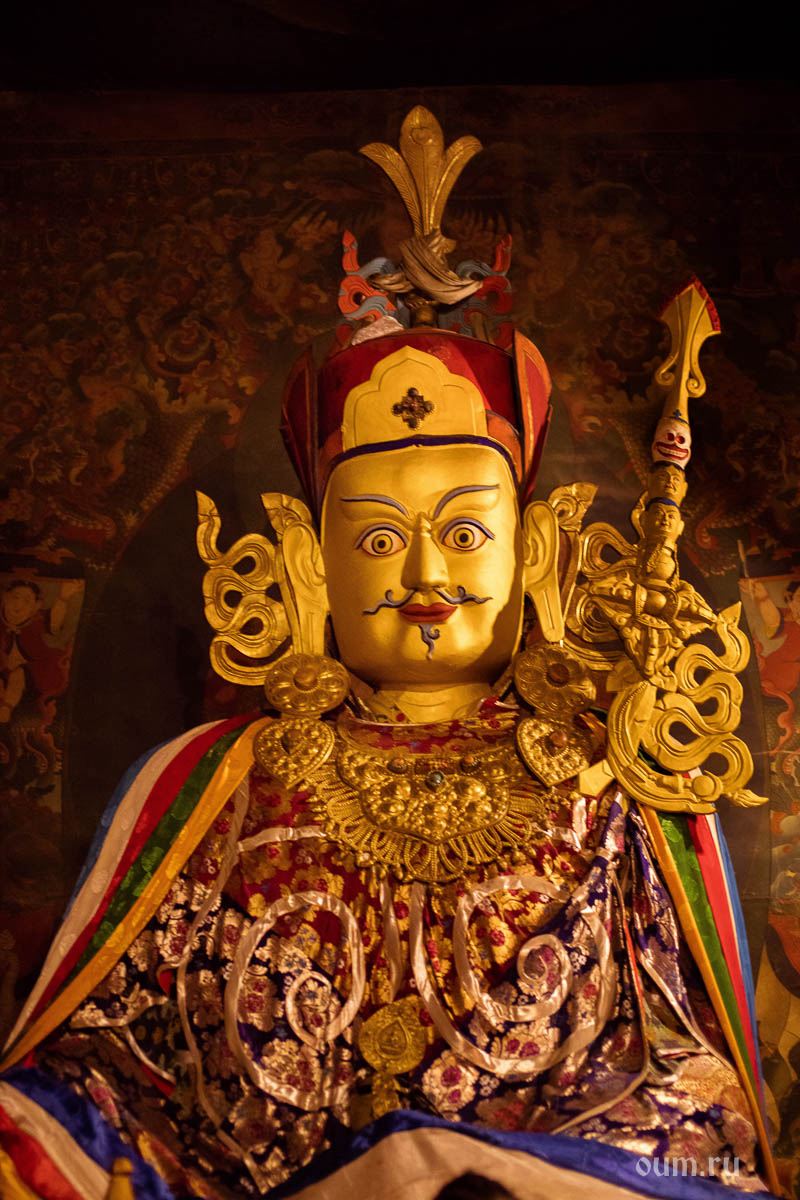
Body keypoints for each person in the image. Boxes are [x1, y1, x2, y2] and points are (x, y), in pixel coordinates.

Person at [0, 109, 778, 1200]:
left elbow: (690, 1080)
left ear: (534, 549)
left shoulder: (608, 783)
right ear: (306, 562)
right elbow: (114, 1055)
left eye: (463, 532)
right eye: (375, 539)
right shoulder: (211, 783)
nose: (423, 574)